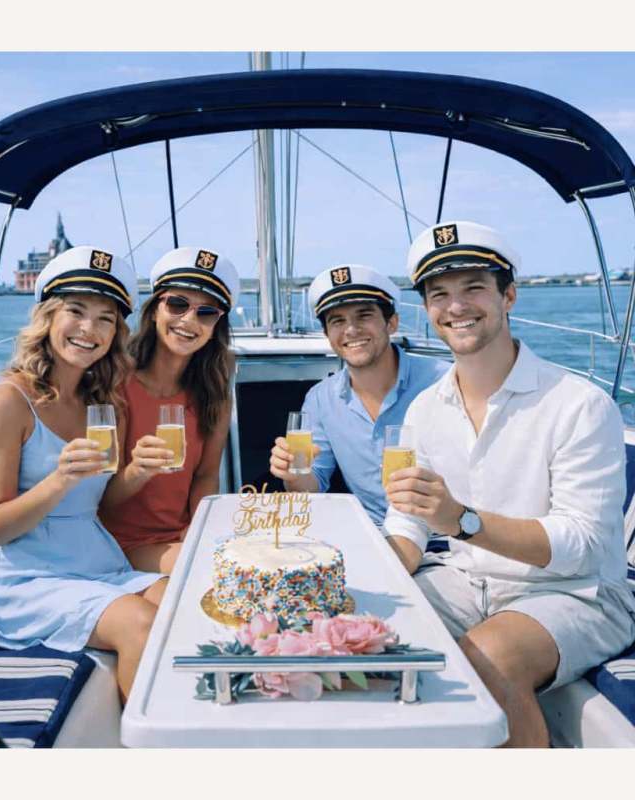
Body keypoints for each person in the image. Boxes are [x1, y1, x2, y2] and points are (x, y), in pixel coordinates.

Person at [383, 220, 635, 747]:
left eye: (473, 287)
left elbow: (583, 548)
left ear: (509, 296)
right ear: (427, 310)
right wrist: (373, 568)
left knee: (488, 658)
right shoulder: (426, 410)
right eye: (439, 294)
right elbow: (406, 520)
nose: (456, 306)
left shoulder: (579, 405)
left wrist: (462, 522)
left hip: (578, 593)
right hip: (467, 582)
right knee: (365, 634)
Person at [0, 246, 167, 700]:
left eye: (105, 319)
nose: (88, 329)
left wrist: (138, 471)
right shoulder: (6, 403)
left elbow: (101, 503)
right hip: (28, 578)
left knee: (182, 598)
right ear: (48, 318)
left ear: (116, 333)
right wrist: (59, 479)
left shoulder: (104, 404)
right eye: (76, 311)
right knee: (140, 622)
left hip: (96, 564)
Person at [269, 264, 447, 525]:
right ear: (328, 335)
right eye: (337, 321)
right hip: (374, 539)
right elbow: (313, 485)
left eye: (364, 316)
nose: (351, 330)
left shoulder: (443, 381)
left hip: (448, 539)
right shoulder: (319, 400)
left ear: (392, 323)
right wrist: (292, 474)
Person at [100, 246, 240, 574]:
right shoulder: (117, 383)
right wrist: (137, 471)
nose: (189, 320)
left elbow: (206, 475)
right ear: (154, 310)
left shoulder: (215, 391)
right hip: (117, 541)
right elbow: (101, 498)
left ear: (216, 325)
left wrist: (197, 529)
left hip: (178, 538)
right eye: (178, 304)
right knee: (221, 574)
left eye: (207, 312)